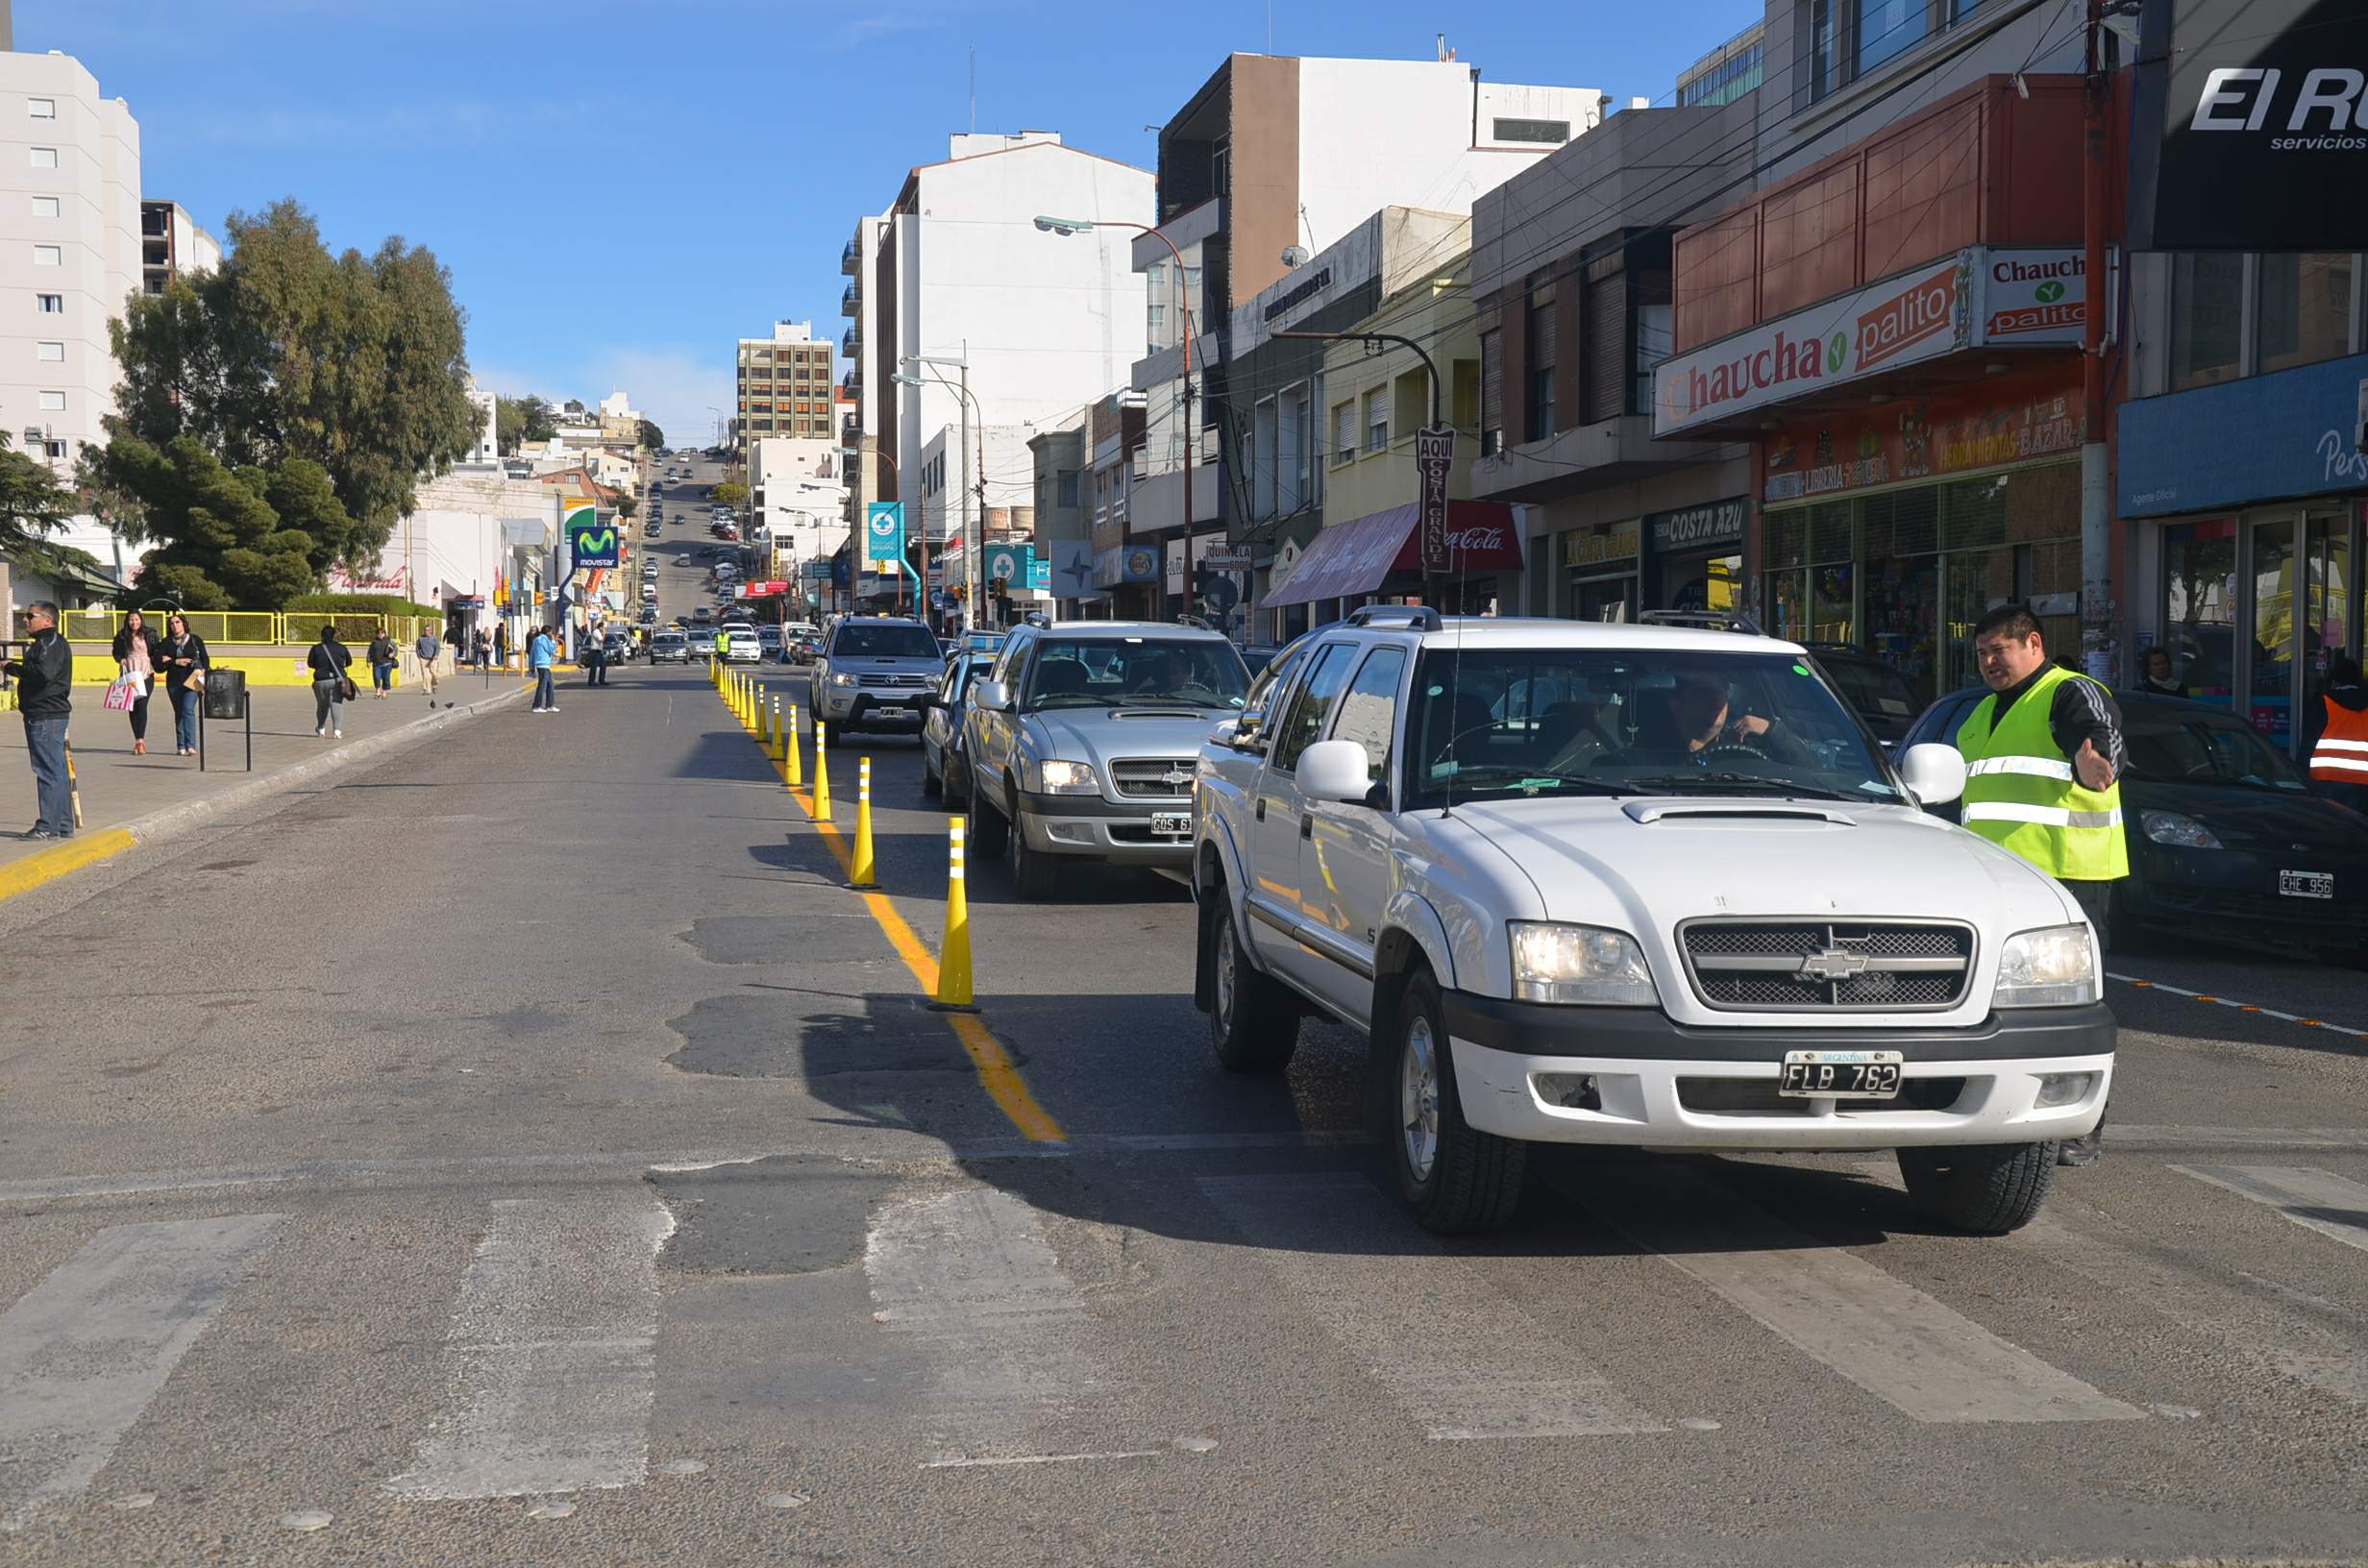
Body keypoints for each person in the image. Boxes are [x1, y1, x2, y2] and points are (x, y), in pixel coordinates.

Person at [1955, 602, 2126, 1167]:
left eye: (1997, 651)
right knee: (1999, 1002)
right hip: (1992, 880)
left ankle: (2081, 1126)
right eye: (1980, 653)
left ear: (2032, 643)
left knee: (2070, 1003)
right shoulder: (1980, 713)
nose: (1987, 663)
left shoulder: (2068, 692)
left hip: (2066, 874)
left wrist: (2094, 760)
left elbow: (2097, 737)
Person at [4, 600, 74, 839]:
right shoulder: (44, 643)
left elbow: (43, 674)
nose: (26, 620)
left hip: (46, 715)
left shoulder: (49, 642)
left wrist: (13, 667)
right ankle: (62, 823)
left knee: (48, 771)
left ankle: (48, 825)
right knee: (56, 770)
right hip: (45, 714)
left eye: (30, 615)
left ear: (47, 620)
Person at [2305, 653, 2368, 815]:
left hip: (2326, 775)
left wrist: (2300, 770)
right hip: (2362, 779)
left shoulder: (2326, 702)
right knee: (2356, 827)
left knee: (2329, 824)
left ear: (2334, 681)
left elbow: (2310, 738)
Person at [110, 609, 162, 755]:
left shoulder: (150, 633)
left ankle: (142, 740)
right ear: (127, 621)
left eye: (137, 619)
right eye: (131, 620)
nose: (134, 622)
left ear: (141, 620)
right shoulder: (121, 635)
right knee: (131, 707)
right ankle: (138, 740)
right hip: (130, 673)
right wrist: (120, 659)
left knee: (142, 704)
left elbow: (157, 650)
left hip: (146, 672)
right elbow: (116, 652)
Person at [159, 613, 209, 756]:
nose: (175, 625)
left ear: (184, 624)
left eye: (177, 622)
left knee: (188, 710)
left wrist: (203, 670)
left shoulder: (195, 640)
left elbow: (205, 658)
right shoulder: (166, 642)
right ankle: (181, 745)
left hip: (192, 680)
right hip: (174, 682)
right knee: (179, 712)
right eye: (172, 623)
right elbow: (158, 663)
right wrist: (174, 661)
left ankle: (191, 745)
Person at [307, 624, 353, 738]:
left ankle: (321, 728)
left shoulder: (316, 648)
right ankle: (337, 731)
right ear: (334, 635)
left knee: (322, 705)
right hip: (337, 680)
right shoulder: (341, 647)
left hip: (320, 681)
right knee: (336, 704)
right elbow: (349, 662)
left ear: (322, 635)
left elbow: (310, 664)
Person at [528, 625, 557, 712]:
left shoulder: (536, 640)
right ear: (548, 632)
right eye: (551, 632)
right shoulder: (545, 639)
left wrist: (531, 667)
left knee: (550, 685)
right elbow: (551, 650)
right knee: (542, 686)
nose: (551, 634)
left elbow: (532, 654)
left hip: (540, 665)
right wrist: (552, 641)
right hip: (544, 665)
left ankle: (550, 705)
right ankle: (536, 706)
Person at [415, 625, 443, 707]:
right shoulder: (421, 639)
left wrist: (436, 655)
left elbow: (437, 647)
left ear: (431, 631)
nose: (426, 632)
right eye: (425, 630)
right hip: (424, 658)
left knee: (433, 673)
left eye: (428, 630)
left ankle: (435, 685)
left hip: (433, 658)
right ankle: (426, 689)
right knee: (425, 675)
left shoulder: (434, 638)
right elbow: (417, 647)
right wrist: (419, 655)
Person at [365, 629, 397, 698]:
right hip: (377, 663)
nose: (380, 635)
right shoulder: (374, 642)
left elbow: (396, 649)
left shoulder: (389, 641)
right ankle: (377, 692)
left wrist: (393, 654)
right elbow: (370, 652)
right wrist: (368, 661)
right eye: (378, 633)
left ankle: (384, 692)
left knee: (386, 678)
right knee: (376, 677)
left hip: (387, 663)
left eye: (382, 633)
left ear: (385, 634)